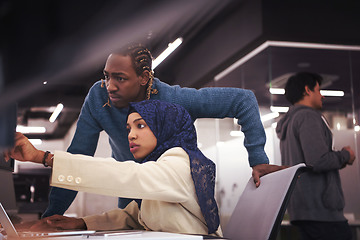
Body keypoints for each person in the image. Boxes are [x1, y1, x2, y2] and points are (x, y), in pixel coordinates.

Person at [43, 43, 282, 217]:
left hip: (171, 195)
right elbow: (78, 156)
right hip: (129, 190)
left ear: (144, 77)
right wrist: (53, 216)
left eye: (120, 78)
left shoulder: (173, 99)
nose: (109, 86)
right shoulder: (98, 97)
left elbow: (243, 100)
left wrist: (258, 159)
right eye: (106, 77)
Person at [5, 100, 222, 236]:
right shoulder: (160, 169)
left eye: (141, 125)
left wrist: (44, 157)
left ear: (164, 127)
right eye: (128, 128)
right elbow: (135, 217)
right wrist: (80, 223)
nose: (131, 134)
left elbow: (128, 176)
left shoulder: (182, 161)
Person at [275, 72, 356, 240]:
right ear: (307, 90)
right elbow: (318, 161)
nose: (322, 96)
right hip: (321, 213)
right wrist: (346, 155)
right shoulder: (307, 116)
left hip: (303, 211)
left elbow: (309, 161)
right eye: (318, 90)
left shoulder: (290, 122)